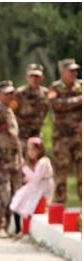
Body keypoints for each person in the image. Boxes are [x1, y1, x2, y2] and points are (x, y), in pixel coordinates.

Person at [0, 80, 23, 238]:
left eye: (11, 93)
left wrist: (20, 158)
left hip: (12, 159)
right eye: (6, 93)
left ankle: (7, 227)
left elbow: (14, 137)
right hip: (1, 159)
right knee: (3, 193)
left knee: (14, 193)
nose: (10, 96)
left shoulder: (9, 110)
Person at [48, 58, 82, 204]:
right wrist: (77, 101)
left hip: (79, 136)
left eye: (75, 70)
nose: (74, 73)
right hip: (61, 137)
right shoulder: (55, 88)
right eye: (71, 71)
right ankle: (60, 206)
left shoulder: (81, 85)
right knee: (61, 173)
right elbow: (55, 105)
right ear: (62, 72)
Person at [10, 137, 54, 240]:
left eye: (33, 150)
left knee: (25, 203)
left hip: (41, 188)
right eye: (29, 150)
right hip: (36, 186)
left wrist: (24, 167)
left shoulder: (43, 162)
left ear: (39, 150)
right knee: (19, 200)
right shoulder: (40, 162)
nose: (31, 152)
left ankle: (23, 230)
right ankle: (19, 229)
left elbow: (36, 179)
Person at [12, 63, 49, 153]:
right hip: (22, 135)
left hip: (37, 134)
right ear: (26, 77)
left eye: (37, 76)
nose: (34, 79)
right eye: (31, 76)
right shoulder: (19, 94)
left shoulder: (46, 93)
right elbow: (11, 112)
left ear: (42, 78)